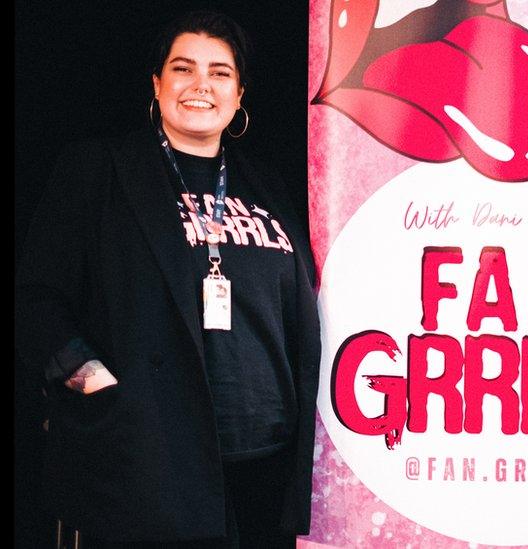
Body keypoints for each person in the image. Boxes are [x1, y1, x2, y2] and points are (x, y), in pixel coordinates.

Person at [15, 11, 320, 548]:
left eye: (220, 72)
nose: (201, 84)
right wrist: (91, 380)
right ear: (157, 85)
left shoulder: (268, 185)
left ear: (240, 92)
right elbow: (38, 297)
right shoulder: (99, 171)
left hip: (263, 466)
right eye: (183, 68)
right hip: (146, 463)